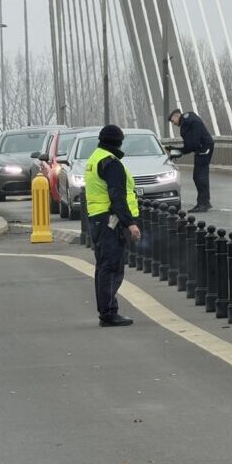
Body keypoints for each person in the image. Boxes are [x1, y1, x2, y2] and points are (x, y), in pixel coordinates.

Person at [84, 124, 141, 327]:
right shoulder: (111, 163)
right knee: (112, 267)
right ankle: (108, 313)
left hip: (97, 219)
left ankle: (107, 310)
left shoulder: (94, 158)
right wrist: (130, 224)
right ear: (118, 142)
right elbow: (118, 197)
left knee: (103, 267)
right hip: (110, 221)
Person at [168, 108, 214, 213]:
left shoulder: (188, 123)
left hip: (204, 149)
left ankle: (204, 204)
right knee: (198, 177)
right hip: (202, 148)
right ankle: (203, 202)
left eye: (172, 121)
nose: (173, 124)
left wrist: (178, 151)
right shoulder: (188, 121)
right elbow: (190, 145)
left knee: (200, 177)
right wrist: (176, 150)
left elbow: (191, 146)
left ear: (177, 116)